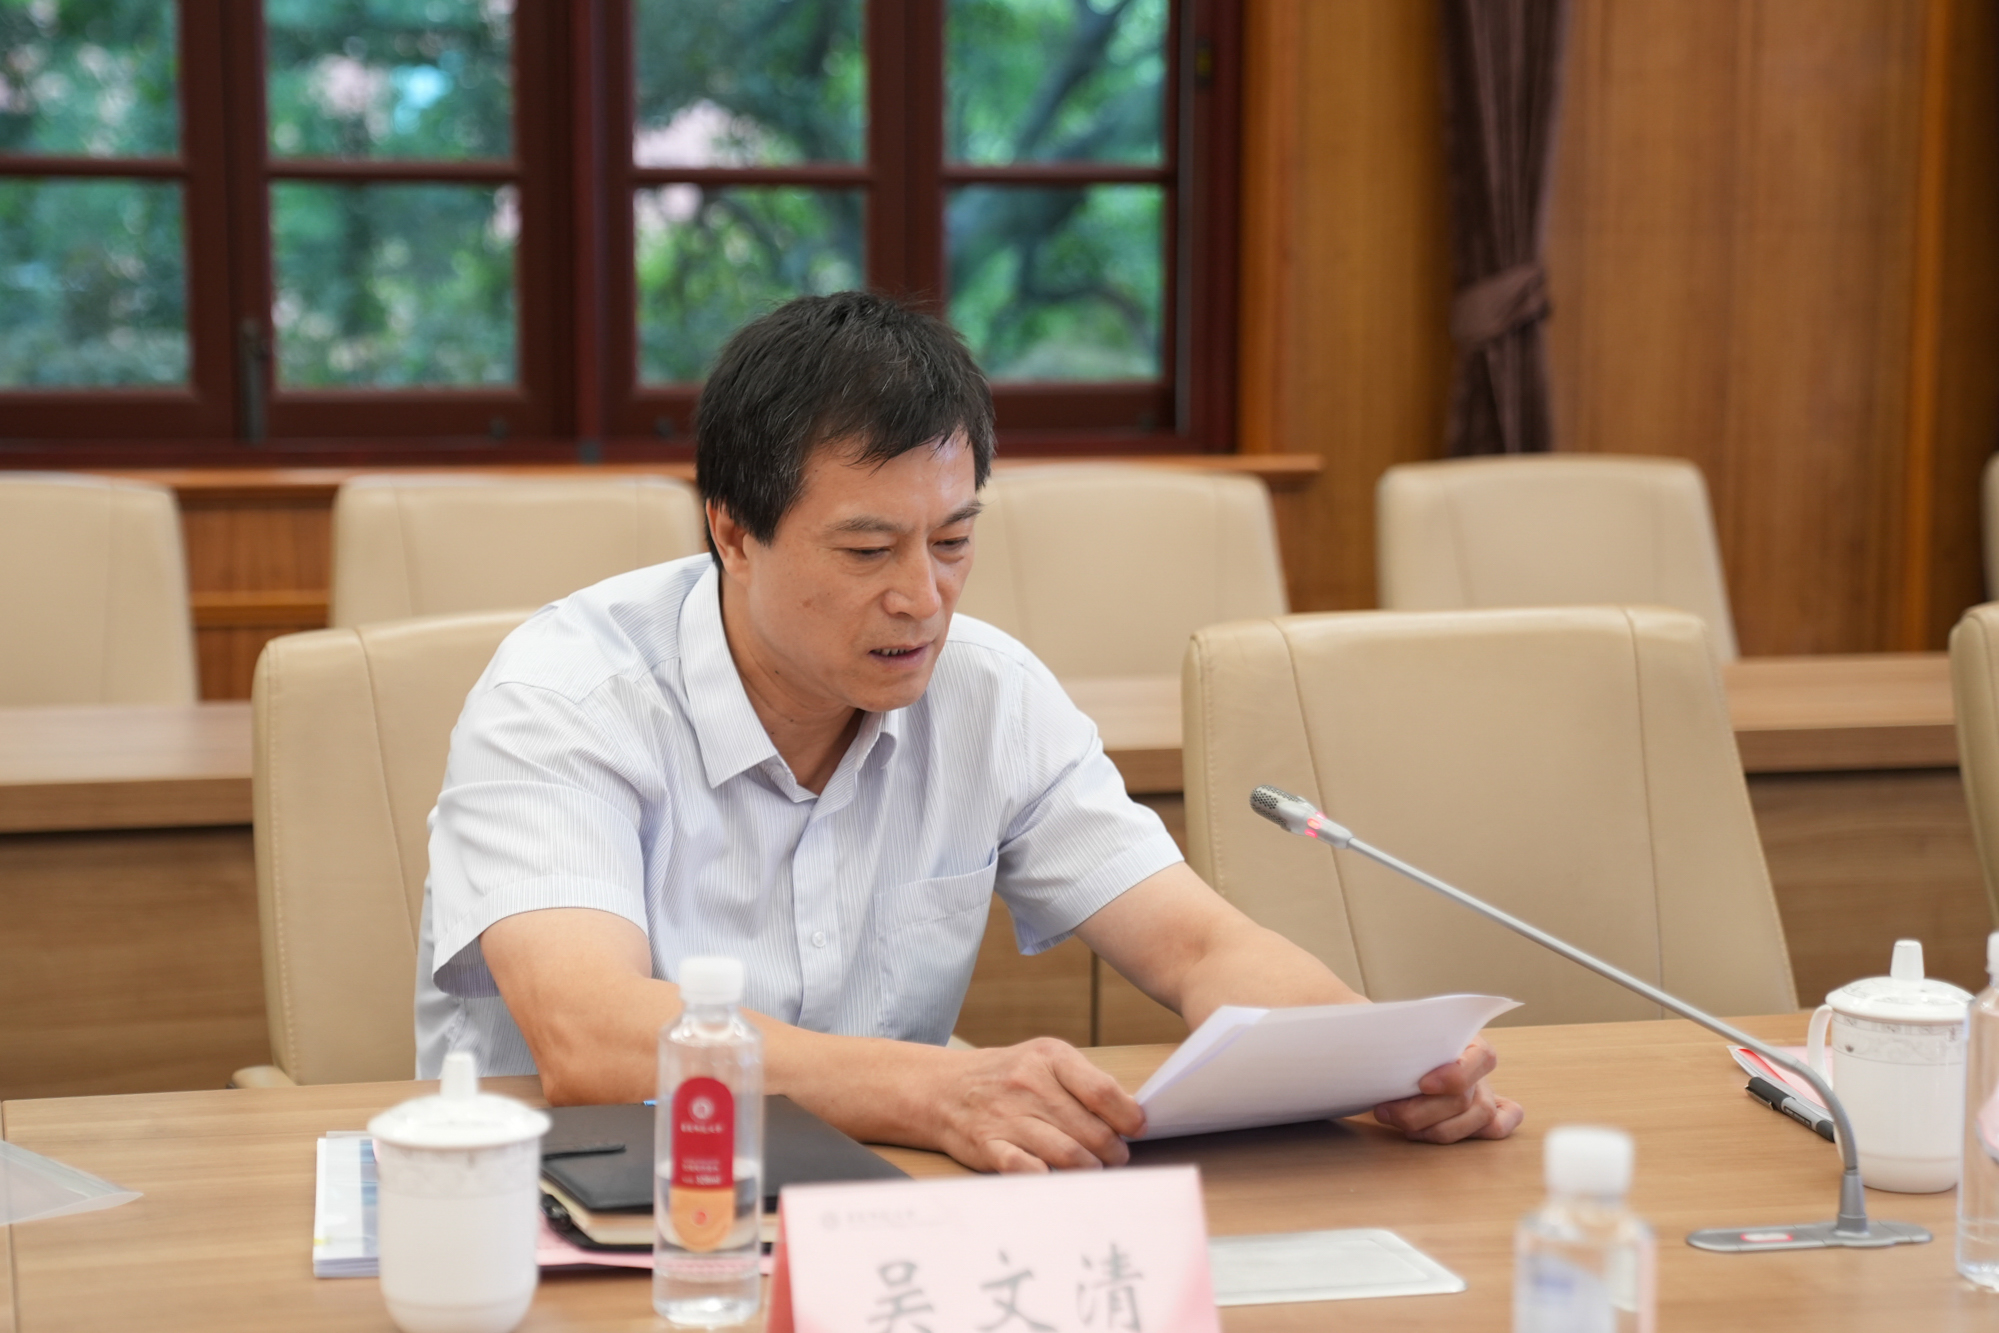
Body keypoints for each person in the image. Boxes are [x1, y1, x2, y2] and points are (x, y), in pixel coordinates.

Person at [415, 292, 1522, 1172]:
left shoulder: (989, 693)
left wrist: (1372, 1059)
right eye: (867, 551)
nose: (923, 598)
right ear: (733, 532)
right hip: (590, 1196)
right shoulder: (564, 698)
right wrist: (934, 1087)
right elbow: (594, 1038)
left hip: (881, 1191)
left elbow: (1197, 945)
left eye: (951, 541)